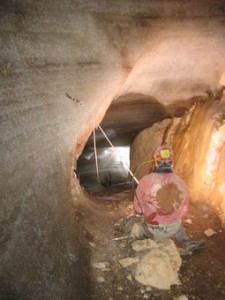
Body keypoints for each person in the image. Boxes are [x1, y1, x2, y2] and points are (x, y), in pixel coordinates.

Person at [131, 145, 205, 253]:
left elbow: (137, 209)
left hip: (153, 229)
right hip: (174, 228)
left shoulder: (145, 180)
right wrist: (171, 216)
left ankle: (146, 243)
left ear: (156, 163)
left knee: (138, 225)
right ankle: (186, 242)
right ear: (172, 163)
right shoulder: (181, 182)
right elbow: (184, 209)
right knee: (177, 221)